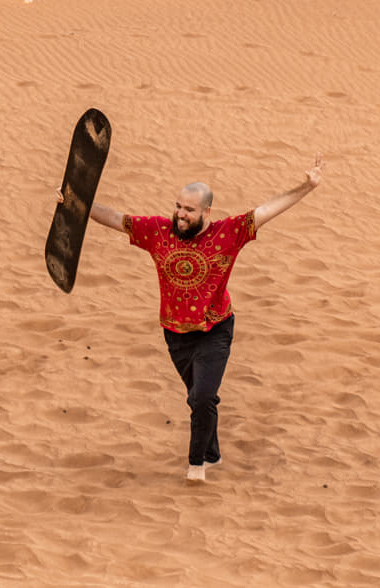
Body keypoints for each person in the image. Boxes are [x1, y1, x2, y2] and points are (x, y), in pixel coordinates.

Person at [84, 153, 324, 482]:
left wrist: (306, 187)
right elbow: (115, 218)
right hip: (175, 334)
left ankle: (197, 466)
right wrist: (76, 202)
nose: (180, 215)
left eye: (189, 210)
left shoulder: (230, 232)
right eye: (178, 207)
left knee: (202, 397)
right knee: (198, 398)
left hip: (215, 329)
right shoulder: (157, 230)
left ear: (206, 212)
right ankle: (212, 452)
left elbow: (268, 209)